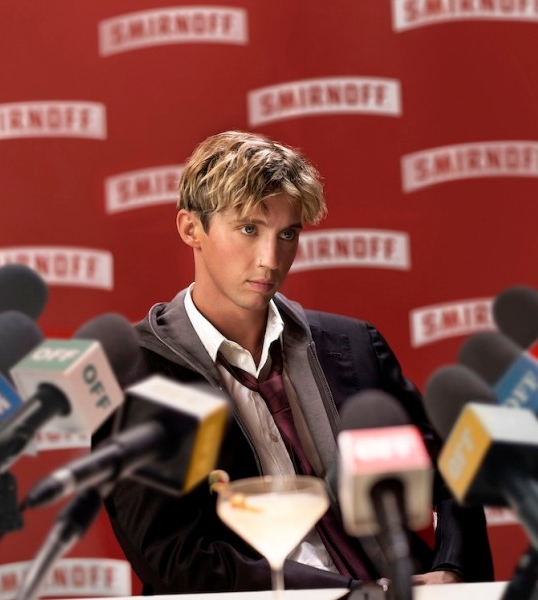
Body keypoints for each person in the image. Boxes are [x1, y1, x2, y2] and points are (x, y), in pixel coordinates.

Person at [99, 130, 494, 593]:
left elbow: (453, 469)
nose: (271, 259)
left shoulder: (353, 344)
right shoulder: (138, 373)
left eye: (287, 234)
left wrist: (454, 569)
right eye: (249, 229)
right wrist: (347, 594)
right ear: (191, 229)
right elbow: (174, 557)